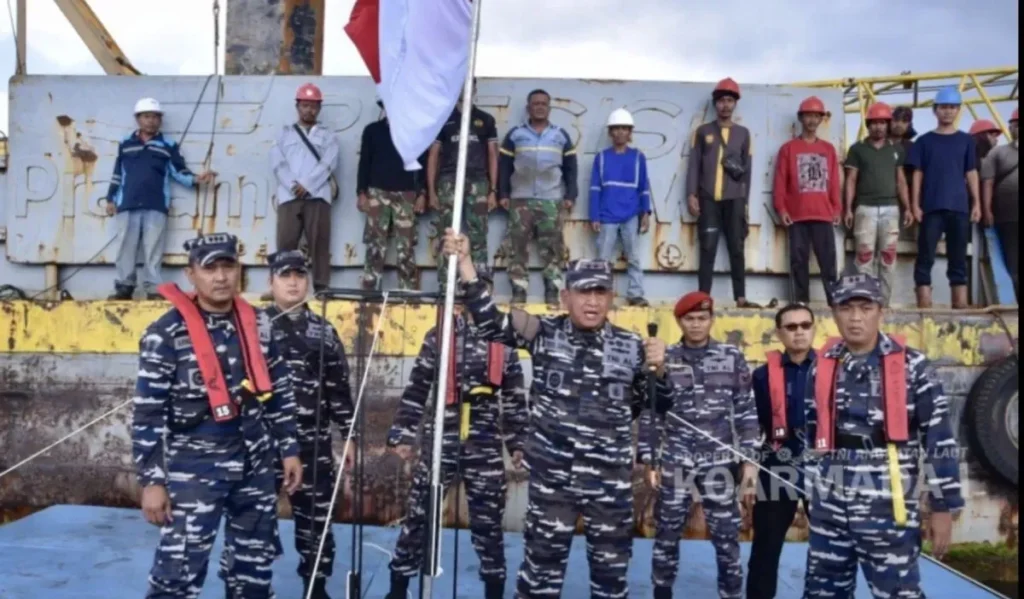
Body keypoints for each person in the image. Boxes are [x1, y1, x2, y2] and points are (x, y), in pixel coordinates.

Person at [442, 228, 677, 599]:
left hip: (609, 487)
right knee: (538, 582)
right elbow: (490, 321)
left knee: (611, 583)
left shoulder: (633, 346)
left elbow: (659, 404)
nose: (593, 301)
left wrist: (661, 370)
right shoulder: (543, 331)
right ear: (566, 296)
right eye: (584, 291)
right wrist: (467, 264)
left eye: (601, 292)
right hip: (553, 485)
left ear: (611, 298)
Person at [132, 232, 303, 599]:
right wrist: (152, 481)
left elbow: (279, 391)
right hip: (194, 467)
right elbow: (147, 414)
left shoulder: (258, 325)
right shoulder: (165, 334)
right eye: (211, 268)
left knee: (253, 574)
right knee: (176, 576)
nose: (222, 276)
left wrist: (289, 449)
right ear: (191, 274)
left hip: (255, 464)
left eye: (229, 266)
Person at [802, 274, 964, 598]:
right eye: (846, 308)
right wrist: (810, 492)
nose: (856, 317)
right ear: (834, 313)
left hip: (888, 505)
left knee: (898, 592)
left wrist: (942, 506)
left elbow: (940, 441)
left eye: (865, 307)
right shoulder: (823, 366)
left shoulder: (913, 365)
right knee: (822, 592)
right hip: (829, 503)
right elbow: (811, 432)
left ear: (881, 311)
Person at [384, 265, 528, 599]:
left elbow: (515, 399)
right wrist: (402, 434)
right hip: (440, 441)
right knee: (419, 516)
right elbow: (417, 389)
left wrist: (518, 444)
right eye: (462, 293)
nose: (470, 300)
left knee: (488, 525)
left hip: (485, 443)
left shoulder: (504, 343)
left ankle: (494, 590)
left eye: (479, 291)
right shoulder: (438, 337)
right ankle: (397, 588)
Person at [638, 291, 758, 599]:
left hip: (718, 458)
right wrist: (648, 458)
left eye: (702, 318)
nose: (695, 325)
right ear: (679, 321)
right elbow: (651, 411)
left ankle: (731, 593)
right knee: (666, 532)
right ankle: (662, 592)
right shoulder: (664, 359)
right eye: (689, 319)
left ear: (711, 320)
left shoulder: (731, 356)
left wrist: (749, 459)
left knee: (726, 535)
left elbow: (745, 409)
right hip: (676, 457)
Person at [263, 250, 356, 599]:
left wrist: (347, 437)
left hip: (312, 443)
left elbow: (339, 391)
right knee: (254, 519)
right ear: (270, 281)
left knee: (317, 521)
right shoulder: (254, 328)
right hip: (264, 443)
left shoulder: (324, 332)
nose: (292, 282)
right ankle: (250, 585)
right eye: (284, 275)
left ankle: (314, 586)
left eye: (299, 275)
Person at [105, 97, 215, 300]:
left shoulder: (168, 145)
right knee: (125, 247)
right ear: (138, 119)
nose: (152, 121)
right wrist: (110, 198)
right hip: (127, 203)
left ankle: (153, 288)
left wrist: (196, 179)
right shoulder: (125, 143)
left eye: (156, 117)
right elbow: (117, 173)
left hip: (156, 205)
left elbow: (179, 171)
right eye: (147, 116)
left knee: (153, 248)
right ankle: (125, 286)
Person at [745, 304, 816, 599]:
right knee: (766, 547)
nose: (799, 332)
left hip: (824, 466)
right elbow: (750, 424)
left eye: (805, 325)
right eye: (791, 327)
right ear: (779, 333)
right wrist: (748, 469)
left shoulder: (836, 370)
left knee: (831, 548)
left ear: (813, 327)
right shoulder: (761, 377)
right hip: (777, 465)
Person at [498, 89, 579, 305]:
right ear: (528, 108)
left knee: (552, 247)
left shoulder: (560, 135)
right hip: (520, 199)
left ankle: (552, 289)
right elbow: (504, 166)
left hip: (551, 200)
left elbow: (571, 168)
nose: (540, 107)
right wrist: (503, 193)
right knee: (518, 247)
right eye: (536, 103)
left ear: (549, 108)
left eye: (544, 103)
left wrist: (571, 194)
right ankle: (519, 289)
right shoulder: (515, 134)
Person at [907, 87, 981, 309]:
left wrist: (976, 203)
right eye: (943, 107)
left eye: (952, 107)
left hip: (959, 208)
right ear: (935, 110)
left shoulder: (966, 141)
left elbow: (971, 173)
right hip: (931, 208)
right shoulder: (923, 142)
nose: (948, 112)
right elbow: (917, 175)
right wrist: (915, 205)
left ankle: (960, 305)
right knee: (925, 257)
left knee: (958, 258)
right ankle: (924, 306)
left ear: (958, 110)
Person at [686, 78, 757, 307]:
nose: (725, 105)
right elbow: (694, 164)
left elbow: (747, 171)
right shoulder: (703, 131)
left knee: (736, 247)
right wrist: (691, 194)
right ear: (715, 104)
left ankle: (741, 297)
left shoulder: (744, 134)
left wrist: (744, 203)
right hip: (708, 198)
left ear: (735, 104)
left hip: (734, 199)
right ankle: (703, 297)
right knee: (707, 248)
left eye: (729, 101)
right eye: (721, 101)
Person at [428, 78, 500, 288]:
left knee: (478, 235)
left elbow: (493, 155)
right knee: (447, 234)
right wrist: (432, 191)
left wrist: (493, 190)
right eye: (460, 86)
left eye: (469, 86)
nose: (465, 90)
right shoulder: (445, 119)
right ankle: (445, 285)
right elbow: (433, 155)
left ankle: (480, 286)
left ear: (475, 89)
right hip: (448, 182)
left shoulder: (485, 120)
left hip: (478, 182)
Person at [270, 83, 341, 293]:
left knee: (319, 242)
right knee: (285, 243)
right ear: (297, 106)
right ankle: (280, 286)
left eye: (313, 106)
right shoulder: (284, 134)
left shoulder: (328, 135)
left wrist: (308, 185)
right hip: (289, 195)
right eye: (305, 105)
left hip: (318, 195)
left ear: (319, 108)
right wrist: (293, 185)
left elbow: (329, 163)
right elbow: (277, 163)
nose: (309, 110)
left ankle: (321, 287)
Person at [773, 96, 841, 305]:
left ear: (821, 119)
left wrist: (837, 208)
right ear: (801, 119)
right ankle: (801, 304)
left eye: (816, 116)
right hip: (797, 216)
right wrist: (781, 208)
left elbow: (834, 182)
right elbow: (780, 180)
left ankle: (834, 302)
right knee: (798, 262)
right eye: (808, 116)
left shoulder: (828, 149)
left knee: (828, 263)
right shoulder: (788, 149)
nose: (812, 120)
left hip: (823, 214)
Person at [844, 102, 913, 306]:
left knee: (888, 258)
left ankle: (883, 304)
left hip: (891, 210)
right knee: (864, 258)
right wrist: (848, 208)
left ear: (888, 125)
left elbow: (901, 181)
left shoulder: (896, 150)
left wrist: (907, 207)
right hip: (865, 209)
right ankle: (866, 303)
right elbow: (851, 180)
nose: (879, 127)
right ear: (868, 125)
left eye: (882, 122)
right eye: (874, 123)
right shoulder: (857, 150)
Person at [356, 95, 426, 291]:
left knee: (406, 247)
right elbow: (364, 163)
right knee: (375, 244)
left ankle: (408, 292)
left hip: (407, 195)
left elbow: (422, 164)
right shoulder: (372, 131)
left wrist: (422, 193)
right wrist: (361, 192)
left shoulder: (414, 133)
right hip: (377, 193)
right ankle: (370, 289)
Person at [589, 107, 652, 306]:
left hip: (631, 214)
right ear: (610, 132)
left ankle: (635, 294)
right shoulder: (601, 158)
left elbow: (643, 187)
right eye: (616, 128)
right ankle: (601, 295)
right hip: (607, 214)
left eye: (624, 128)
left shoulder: (638, 157)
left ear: (630, 132)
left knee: (633, 257)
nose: (620, 132)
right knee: (603, 259)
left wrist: (645, 213)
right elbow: (594, 188)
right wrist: (594, 215)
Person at [981, 108, 1019, 299]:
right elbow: (987, 182)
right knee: (1013, 265)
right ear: (1011, 127)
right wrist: (987, 210)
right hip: (1007, 217)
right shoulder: (998, 153)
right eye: (1016, 124)